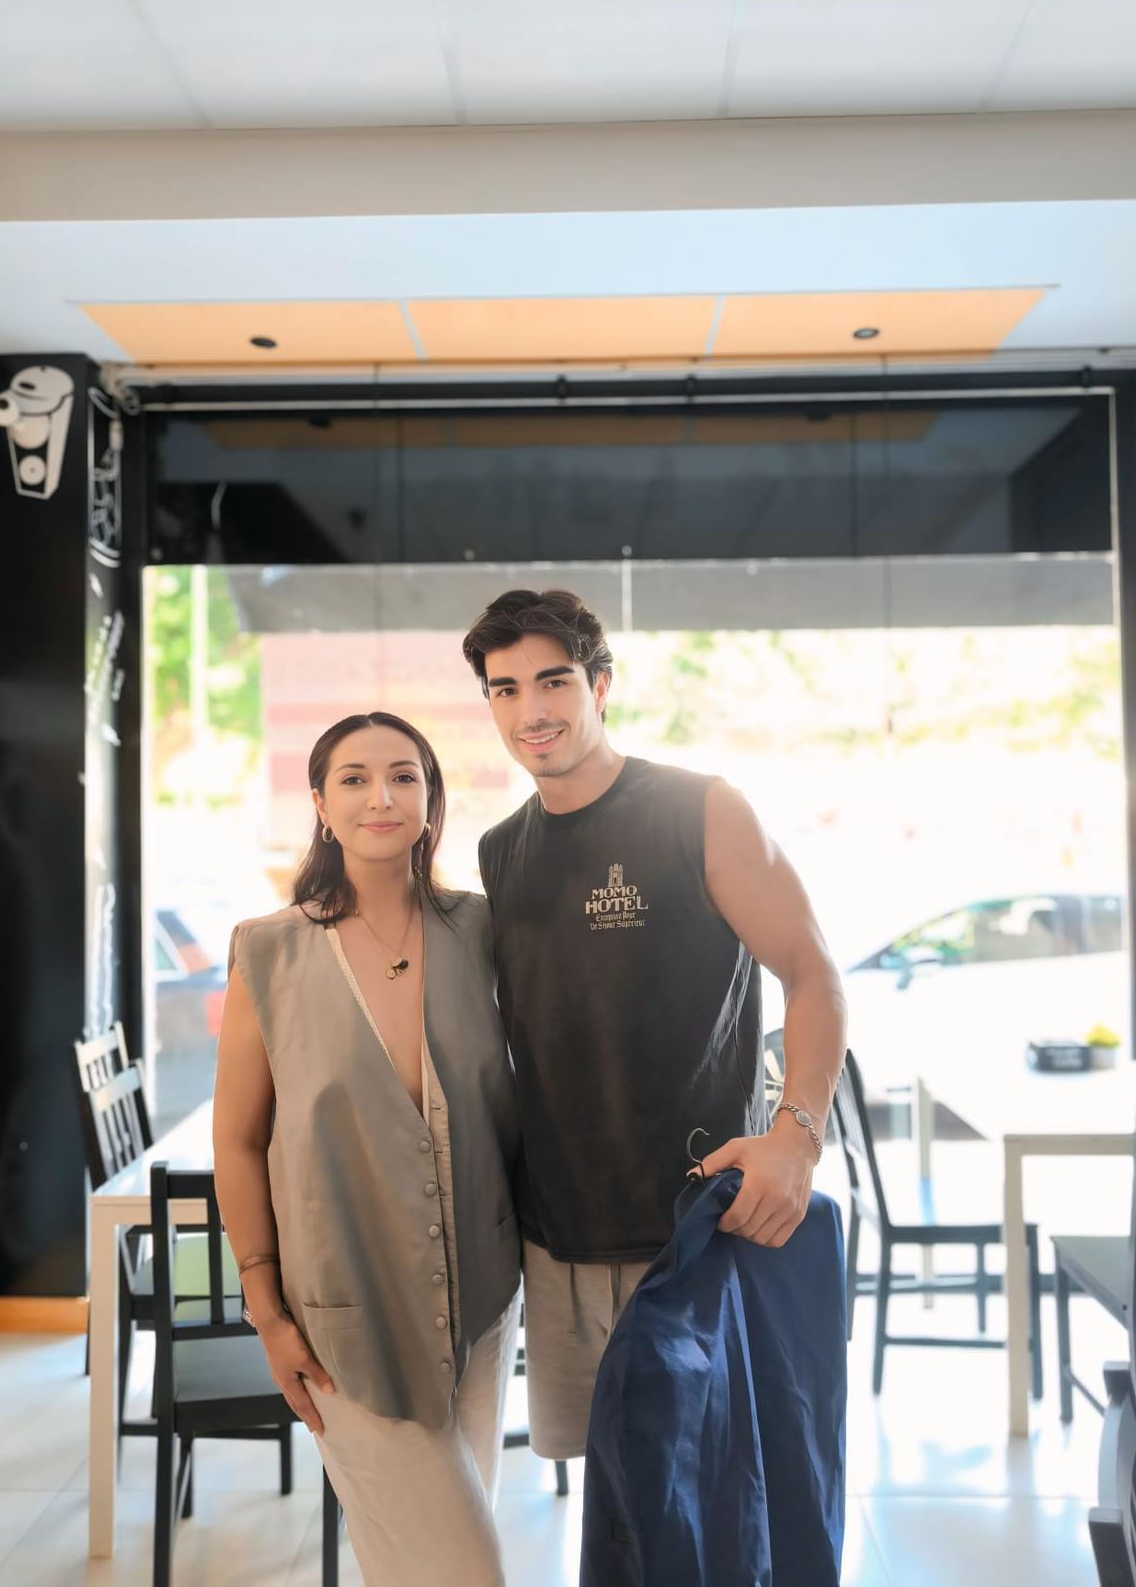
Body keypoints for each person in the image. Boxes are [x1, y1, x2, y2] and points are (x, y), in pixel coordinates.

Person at [462, 588, 847, 1464]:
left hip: (696, 1220)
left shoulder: (699, 809)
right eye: (505, 688)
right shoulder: (500, 850)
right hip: (556, 1237)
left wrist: (798, 1135)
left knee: (706, 1489)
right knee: (617, 1499)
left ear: (601, 686)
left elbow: (814, 973)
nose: (531, 710)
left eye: (552, 682)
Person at [213, 711, 520, 1587]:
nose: (380, 796)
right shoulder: (268, 951)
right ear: (319, 801)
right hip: (341, 1320)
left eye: (403, 775)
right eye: (353, 778)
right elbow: (237, 1141)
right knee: (468, 1571)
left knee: (416, 1565)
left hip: (483, 1305)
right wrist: (267, 1315)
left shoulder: (482, 932)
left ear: (431, 798)